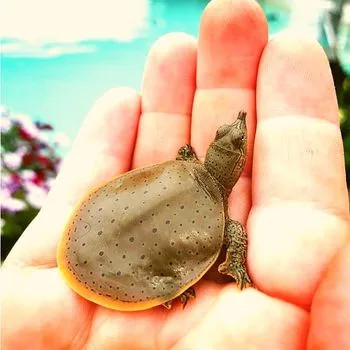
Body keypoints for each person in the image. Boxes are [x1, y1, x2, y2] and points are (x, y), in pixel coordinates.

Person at [2, 0, 349, 348]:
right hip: (108, 251)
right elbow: (235, 237)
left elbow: (186, 156)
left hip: (94, 239)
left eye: (234, 137)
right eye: (233, 138)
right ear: (237, 159)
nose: (236, 130)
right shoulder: (223, 217)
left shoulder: (186, 161)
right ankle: (164, 289)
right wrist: (237, 264)